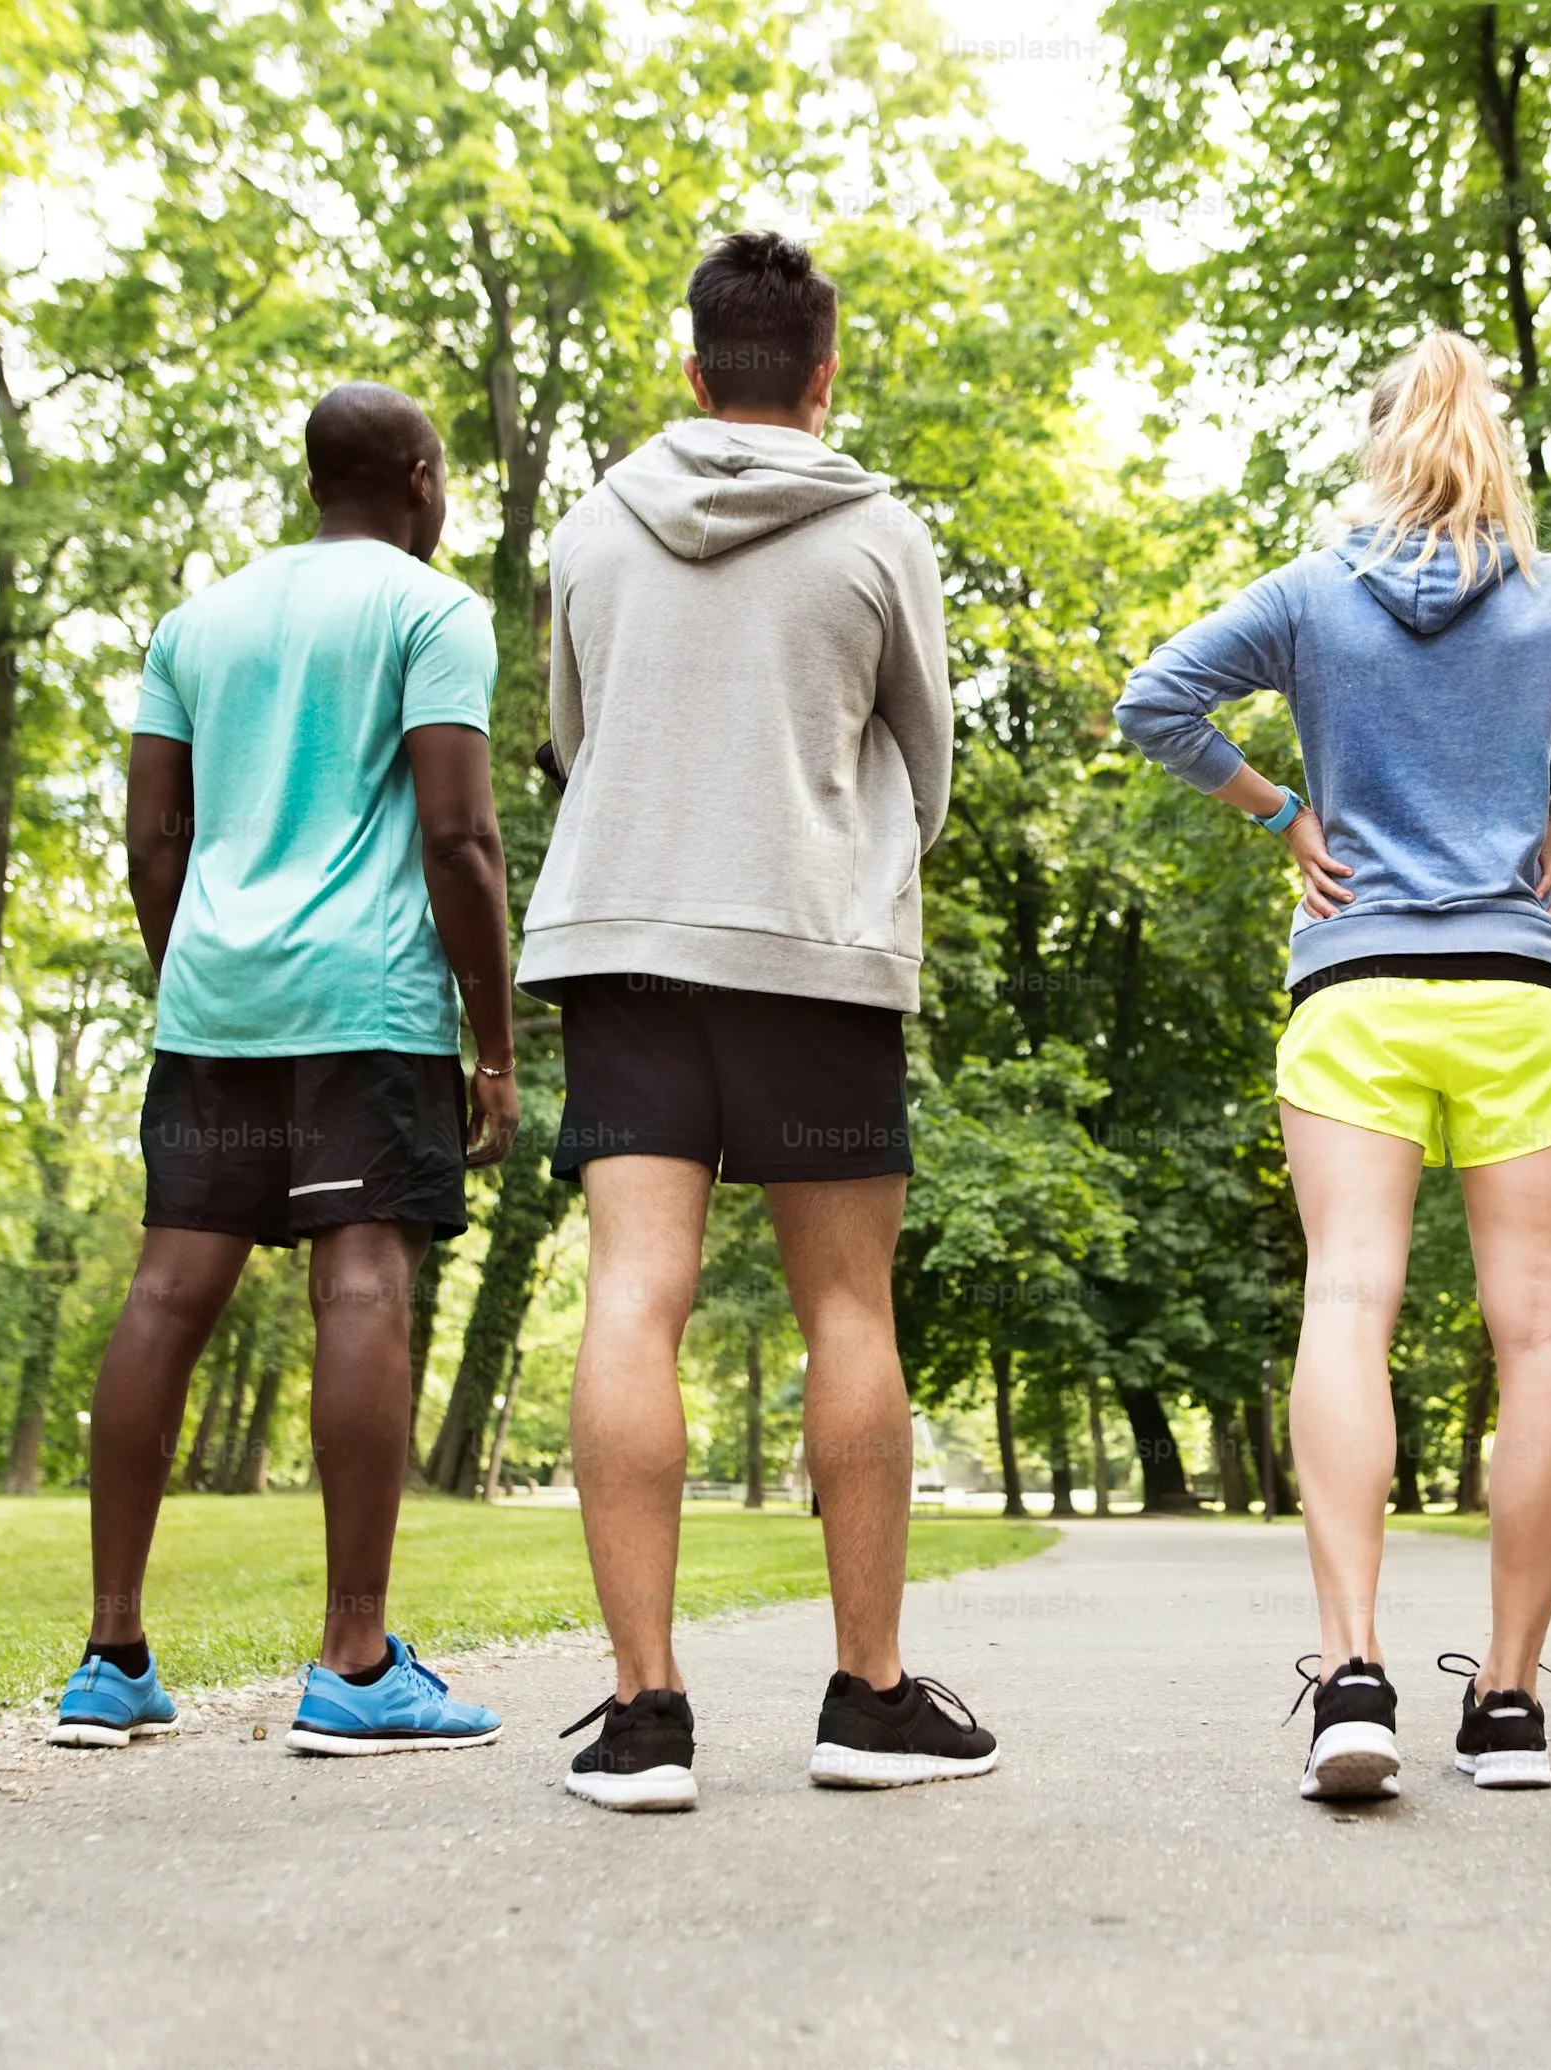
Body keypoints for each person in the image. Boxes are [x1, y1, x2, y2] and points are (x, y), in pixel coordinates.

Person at [1117, 331, 1551, 1801]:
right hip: (1521, 988)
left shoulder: (1312, 594)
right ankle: (1512, 1703)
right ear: (1495, 451)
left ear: (1378, 444)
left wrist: (1282, 814)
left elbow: (1158, 701)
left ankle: (1351, 1677)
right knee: (1536, 1336)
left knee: (1348, 1301)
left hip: (1358, 989)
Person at [522, 230, 989, 1813]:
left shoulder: (593, 530)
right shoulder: (882, 538)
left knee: (632, 1297)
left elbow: (573, 737)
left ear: (692, 362)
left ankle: (645, 1714)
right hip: (815, 954)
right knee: (847, 1308)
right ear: (825, 373)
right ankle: (867, 1698)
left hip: (629, 946)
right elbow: (925, 773)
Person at [52, 382, 520, 1757]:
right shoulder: (432, 614)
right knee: (362, 1281)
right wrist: (491, 1047)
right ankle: (355, 1660)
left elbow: (153, 842)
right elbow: (460, 838)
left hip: (215, 1002)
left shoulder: (196, 624)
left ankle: (111, 1653)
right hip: (363, 1001)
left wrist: (195, 971)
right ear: (422, 481)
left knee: (163, 1294)